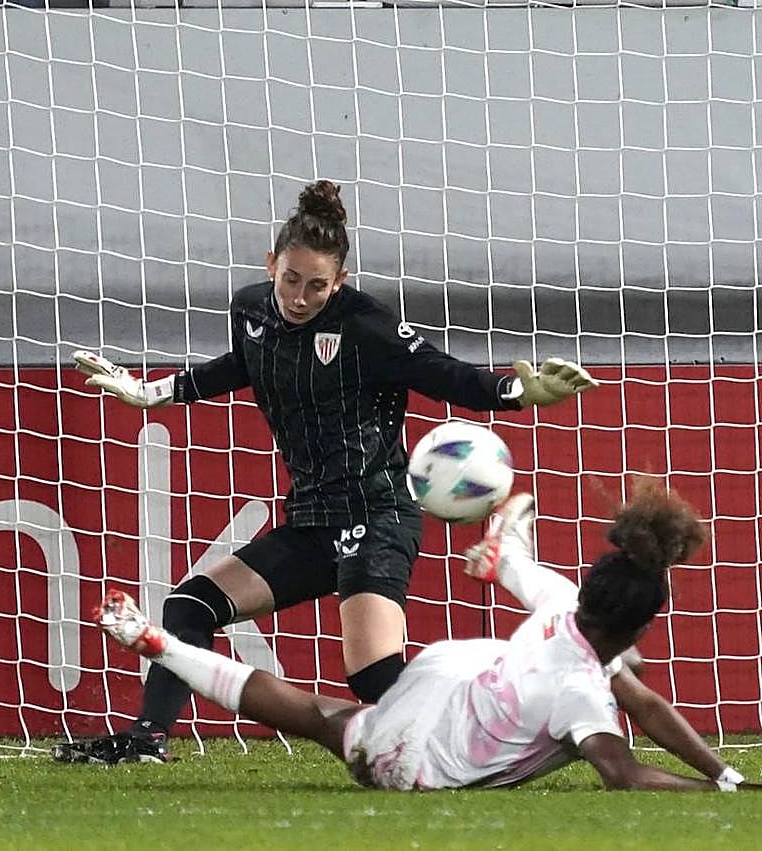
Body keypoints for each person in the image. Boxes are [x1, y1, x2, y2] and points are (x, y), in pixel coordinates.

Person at [56, 179, 598, 764]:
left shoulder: (368, 327)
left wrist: (521, 390)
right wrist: (151, 393)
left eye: (318, 285)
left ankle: (512, 724)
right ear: (272, 265)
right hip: (313, 520)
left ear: (338, 281)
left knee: (372, 677)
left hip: (377, 513)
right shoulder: (251, 310)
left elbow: (452, 377)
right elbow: (243, 364)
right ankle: (146, 742)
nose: (300, 296)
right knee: (189, 606)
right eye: (291, 279)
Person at [96, 483, 754, 791]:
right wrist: (713, 792)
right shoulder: (581, 692)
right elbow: (626, 773)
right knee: (321, 716)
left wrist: (724, 771)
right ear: (638, 629)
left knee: (317, 713)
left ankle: (170, 646)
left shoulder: (562, 601)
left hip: (427, 697)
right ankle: (169, 646)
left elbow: (647, 705)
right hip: (416, 765)